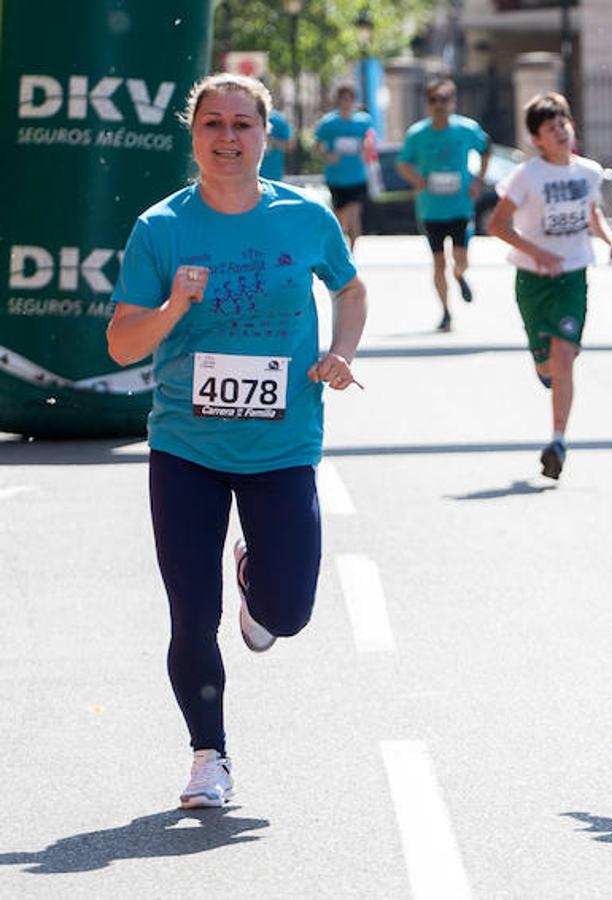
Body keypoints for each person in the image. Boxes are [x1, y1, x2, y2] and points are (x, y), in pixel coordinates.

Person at [105, 73, 368, 808]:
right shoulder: (162, 227)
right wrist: (172, 304)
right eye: (213, 124)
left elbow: (348, 288)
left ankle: (259, 584)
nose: (228, 138)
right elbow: (123, 343)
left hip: (282, 442)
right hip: (185, 444)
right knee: (192, 613)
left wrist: (342, 350)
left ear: (266, 134)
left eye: (242, 124)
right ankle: (207, 757)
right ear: (193, 135)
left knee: (288, 613)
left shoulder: (304, 217)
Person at [488, 92, 612, 481]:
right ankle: (544, 366)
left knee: (565, 355)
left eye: (564, 124)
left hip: (573, 275)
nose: (561, 131)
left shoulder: (588, 171)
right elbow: (497, 225)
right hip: (533, 281)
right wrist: (538, 253)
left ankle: (557, 442)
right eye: (551, 128)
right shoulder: (527, 175)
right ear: (537, 138)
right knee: (548, 364)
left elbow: (592, 213)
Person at [397, 77, 491, 332]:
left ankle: (460, 275)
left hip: (460, 205)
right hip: (431, 209)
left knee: (461, 259)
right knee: (438, 262)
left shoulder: (466, 129)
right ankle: (446, 312)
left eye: (444, 100)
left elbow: (486, 149)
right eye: (433, 100)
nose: (439, 105)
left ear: (453, 102)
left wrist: (478, 180)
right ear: (427, 104)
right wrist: (416, 179)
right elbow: (403, 162)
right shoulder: (417, 134)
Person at [314, 84, 376, 250]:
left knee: (354, 213)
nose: (346, 102)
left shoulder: (363, 121)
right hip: (336, 177)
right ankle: (339, 246)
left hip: (357, 175)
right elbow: (317, 144)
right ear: (338, 101)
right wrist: (328, 155)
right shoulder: (328, 123)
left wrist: (366, 148)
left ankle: (352, 251)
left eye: (349, 99)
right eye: (343, 99)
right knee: (340, 216)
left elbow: (370, 139)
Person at [260, 105, 293, 182]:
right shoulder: (280, 118)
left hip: (270, 174)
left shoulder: (248, 115)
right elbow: (290, 145)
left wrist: (271, 142)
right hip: (274, 175)